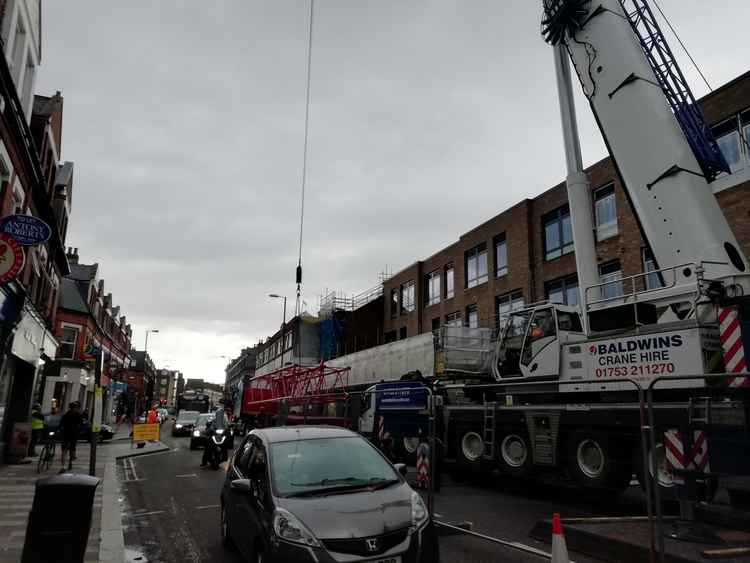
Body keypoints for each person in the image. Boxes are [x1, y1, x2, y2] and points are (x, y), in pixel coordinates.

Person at [59, 401, 83, 472]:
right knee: (69, 450)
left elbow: (61, 424)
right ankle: (68, 463)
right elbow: (81, 424)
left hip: (67, 434)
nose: (75, 409)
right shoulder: (77, 415)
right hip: (71, 435)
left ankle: (65, 465)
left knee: (65, 450)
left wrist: (59, 430)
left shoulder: (67, 414)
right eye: (75, 407)